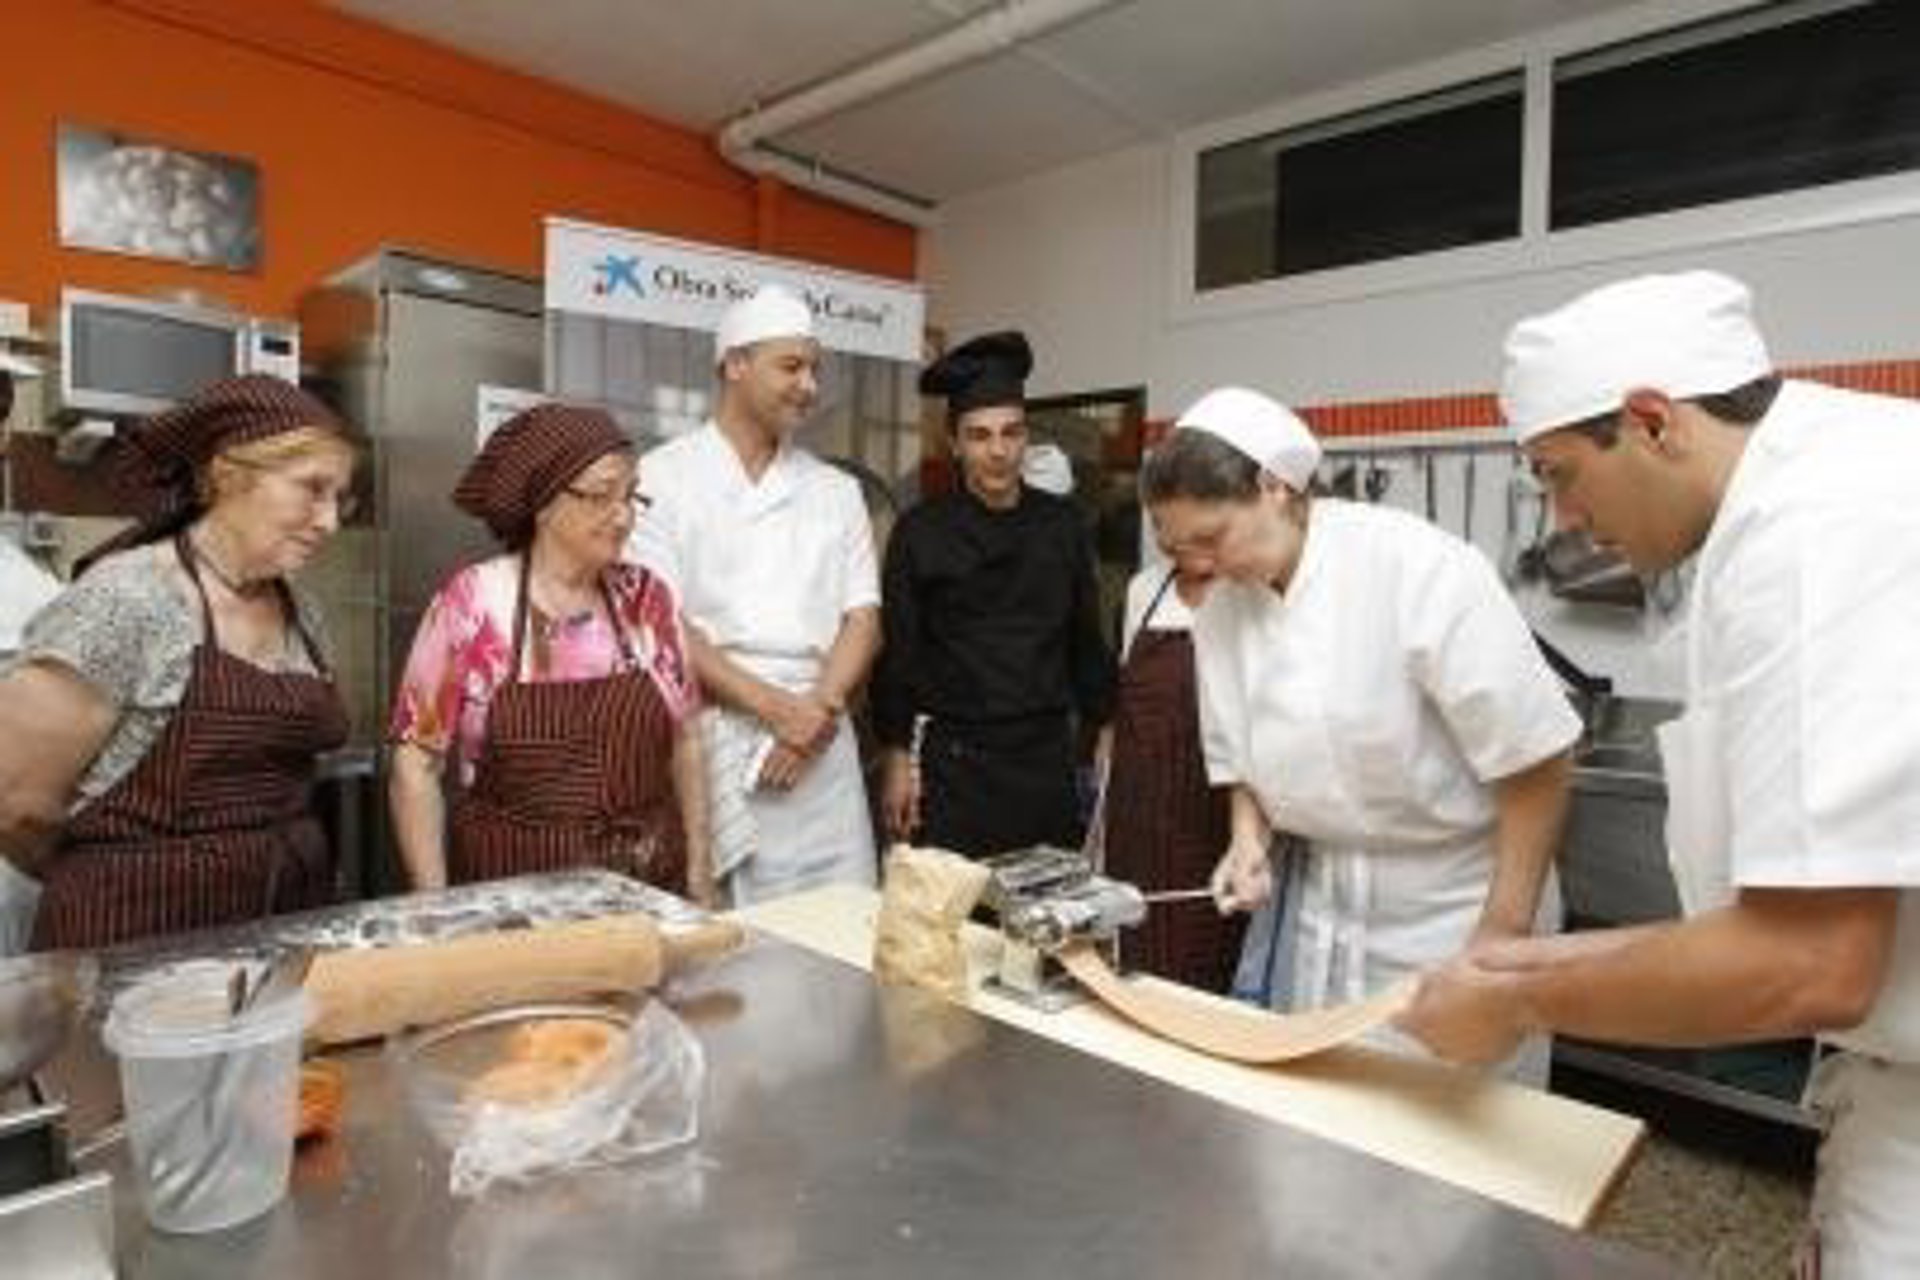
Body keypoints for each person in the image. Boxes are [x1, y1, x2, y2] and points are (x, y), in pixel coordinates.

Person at [1398, 271, 1920, 1276]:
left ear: (1650, 421)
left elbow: (1812, 958)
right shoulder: (1831, 477)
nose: (1562, 518)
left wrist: (1517, 998)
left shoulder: (1817, 529)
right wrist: (1513, 970)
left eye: (1559, 474)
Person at [1143, 386, 1578, 1075]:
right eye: (1177, 547)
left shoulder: (1416, 567)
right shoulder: (1224, 610)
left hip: (1458, 909)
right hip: (1321, 912)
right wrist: (1247, 842)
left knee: (1454, 1121)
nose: (1200, 565)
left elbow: (1537, 759)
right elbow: (1239, 760)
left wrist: (1502, 938)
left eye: (1211, 537)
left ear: (1274, 487)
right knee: (1320, 1115)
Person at [0, 374, 357, 950]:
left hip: (281, 927)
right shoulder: (128, 598)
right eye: (312, 489)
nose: (330, 520)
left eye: (340, 497)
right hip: (131, 939)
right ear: (226, 474)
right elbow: (16, 803)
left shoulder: (301, 611)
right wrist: (120, 874)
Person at [388, 403, 711, 902]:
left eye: (631, 496)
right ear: (543, 502)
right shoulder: (473, 603)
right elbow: (416, 766)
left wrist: (700, 872)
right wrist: (435, 907)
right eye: (602, 496)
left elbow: (686, 739)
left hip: (646, 885)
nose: (624, 516)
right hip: (513, 896)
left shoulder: (647, 598)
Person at [631, 285, 880, 905]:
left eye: (814, 369)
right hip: (716, 734)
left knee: (841, 923)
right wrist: (778, 711)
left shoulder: (835, 491)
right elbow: (662, 626)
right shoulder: (663, 476)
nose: (809, 386)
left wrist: (816, 715)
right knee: (735, 939)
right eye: (791, 366)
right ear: (735, 364)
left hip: (823, 744)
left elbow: (863, 619)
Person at [872, 330, 1116, 857]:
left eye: (1011, 433)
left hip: (1045, 761)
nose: (998, 451)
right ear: (955, 444)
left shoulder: (1063, 526)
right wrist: (895, 756)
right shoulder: (921, 531)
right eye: (980, 436)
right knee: (955, 907)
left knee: (1047, 902)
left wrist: (1104, 726)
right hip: (956, 766)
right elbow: (900, 653)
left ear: (1026, 437)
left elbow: (1085, 639)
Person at [1097, 557, 1244, 991]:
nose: (1176, 543)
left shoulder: (1247, 589)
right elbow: (1123, 696)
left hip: (1217, 806)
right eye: (1161, 530)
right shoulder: (1144, 588)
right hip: (1140, 806)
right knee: (1138, 943)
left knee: (1210, 949)